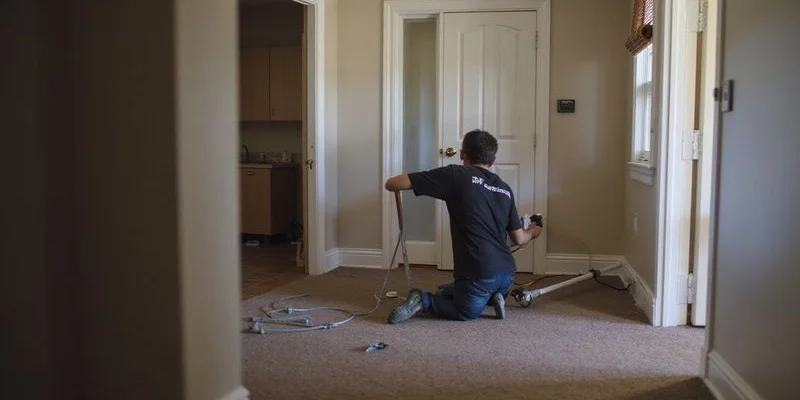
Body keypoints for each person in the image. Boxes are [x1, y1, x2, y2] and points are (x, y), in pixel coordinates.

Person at [384, 129, 543, 324]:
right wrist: (535, 231)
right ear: (493, 160)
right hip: (507, 276)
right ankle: (492, 297)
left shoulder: (456, 175)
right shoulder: (504, 189)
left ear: (462, 154)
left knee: (466, 312)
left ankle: (422, 301)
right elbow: (519, 239)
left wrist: (394, 185)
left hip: (479, 275)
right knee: (470, 291)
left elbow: (393, 183)